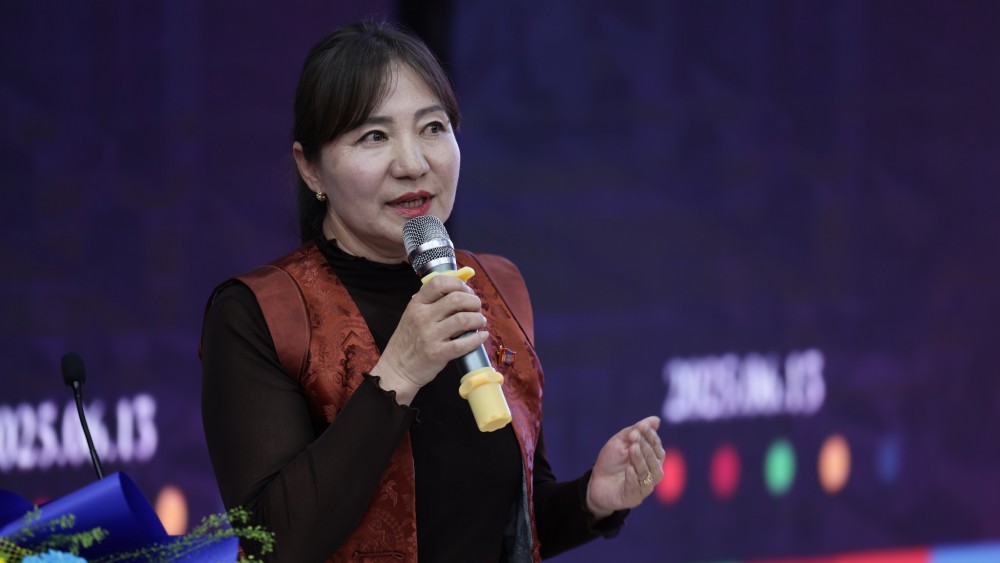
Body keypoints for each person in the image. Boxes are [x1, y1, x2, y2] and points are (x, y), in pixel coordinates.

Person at [200, 19, 665, 562]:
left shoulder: (496, 286)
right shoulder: (262, 314)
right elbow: (271, 544)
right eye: (374, 136)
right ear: (311, 169)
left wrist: (591, 500)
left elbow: (503, 520)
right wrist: (399, 373)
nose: (414, 164)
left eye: (433, 127)